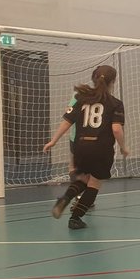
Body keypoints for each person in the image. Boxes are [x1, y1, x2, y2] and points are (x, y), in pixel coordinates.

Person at [43, 65, 128, 230]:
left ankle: (65, 199)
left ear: (93, 79)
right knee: (94, 183)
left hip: (80, 146)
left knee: (82, 179)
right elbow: (116, 129)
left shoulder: (81, 98)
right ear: (113, 82)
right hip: (101, 148)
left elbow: (67, 121)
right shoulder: (115, 103)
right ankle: (75, 219)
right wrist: (123, 147)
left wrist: (53, 141)